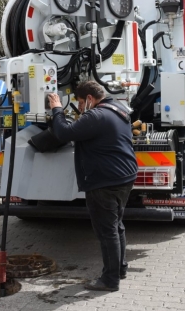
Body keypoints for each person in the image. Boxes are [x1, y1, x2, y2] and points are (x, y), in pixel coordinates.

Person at [47, 81, 138, 292]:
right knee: (116, 225)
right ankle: (121, 268)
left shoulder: (95, 115)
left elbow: (64, 133)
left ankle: (110, 279)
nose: (79, 108)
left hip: (105, 180)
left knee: (107, 231)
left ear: (89, 99)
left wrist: (57, 108)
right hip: (125, 176)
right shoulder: (119, 108)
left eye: (80, 102)